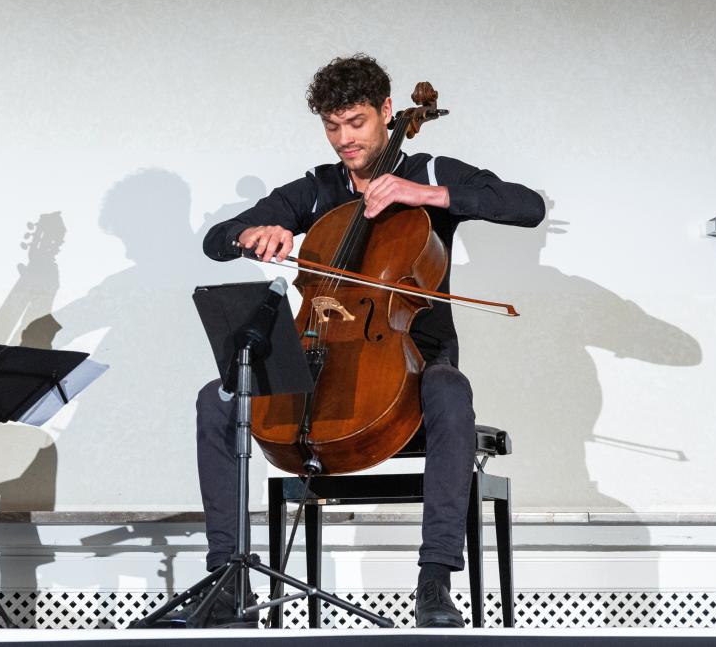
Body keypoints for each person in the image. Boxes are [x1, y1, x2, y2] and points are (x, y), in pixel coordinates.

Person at [183, 54, 545, 628]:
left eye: (356, 123)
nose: (344, 139)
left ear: (386, 111)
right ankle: (227, 578)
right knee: (217, 397)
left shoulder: (428, 170)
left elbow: (527, 205)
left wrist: (426, 195)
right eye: (332, 127)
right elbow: (216, 239)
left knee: (450, 388)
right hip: (319, 361)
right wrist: (254, 232)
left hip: (410, 372)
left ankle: (434, 582)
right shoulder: (317, 189)